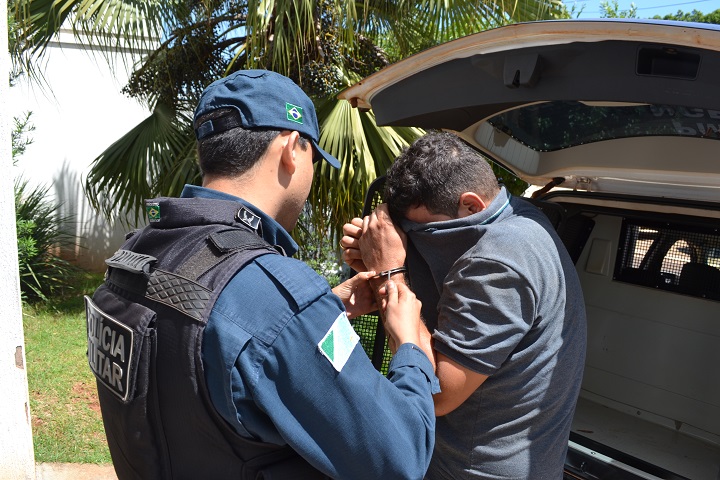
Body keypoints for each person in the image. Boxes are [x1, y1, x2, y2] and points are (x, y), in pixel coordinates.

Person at [85, 69, 437, 480]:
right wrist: (409, 343)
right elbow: (399, 457)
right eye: (312, 157)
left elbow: (207, 337)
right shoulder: (275, 296)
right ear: (291, 148)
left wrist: (323, 310)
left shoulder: (142, 248)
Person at [341, 131, 587, 479]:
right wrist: (384, 261)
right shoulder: (521, 216)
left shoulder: (496, 262)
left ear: (472, 205)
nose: (416, 244)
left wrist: (389, 274)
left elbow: (434, 393)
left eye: (422, 234)